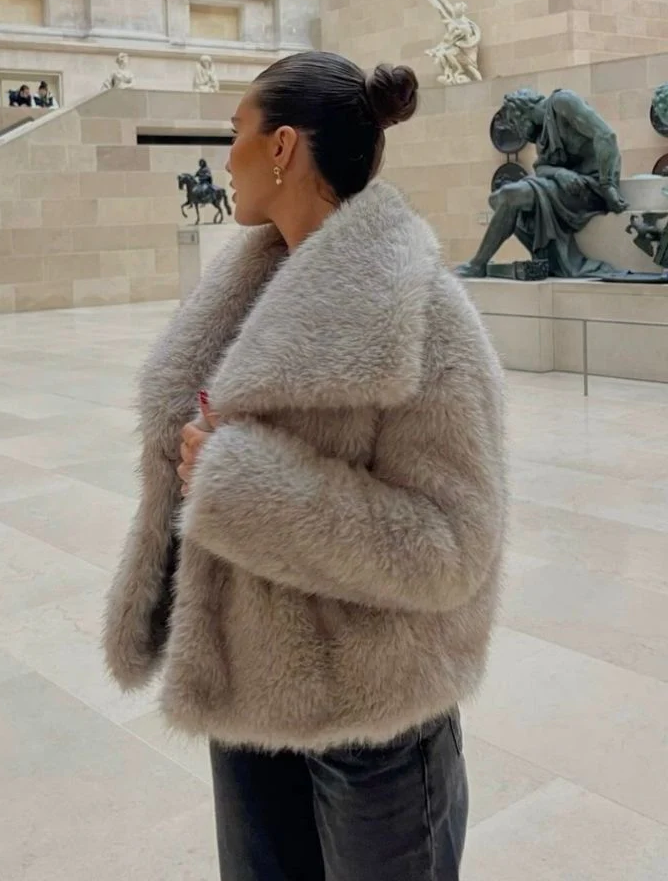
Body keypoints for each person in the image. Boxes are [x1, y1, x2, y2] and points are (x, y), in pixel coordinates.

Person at [104, 50, 507, 881]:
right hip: (247, 708)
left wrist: (238, 484)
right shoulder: (245, 291)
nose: (226, 159)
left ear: (282, 146)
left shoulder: (422, 313)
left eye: (237, 133)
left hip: (374, 721)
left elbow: (450, 546)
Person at [456, 88, 628, 279]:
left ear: (520, 113)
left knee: (510, 196)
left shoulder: (562, 102)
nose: (519, 133)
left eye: (514, 125)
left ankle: (478, 264)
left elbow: (605, 136)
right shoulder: (543, 137)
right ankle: (481, 263)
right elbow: (542, 168)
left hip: (592, 187)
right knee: (497, 199)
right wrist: (560, 173)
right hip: (568, 188)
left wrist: (607, 185)